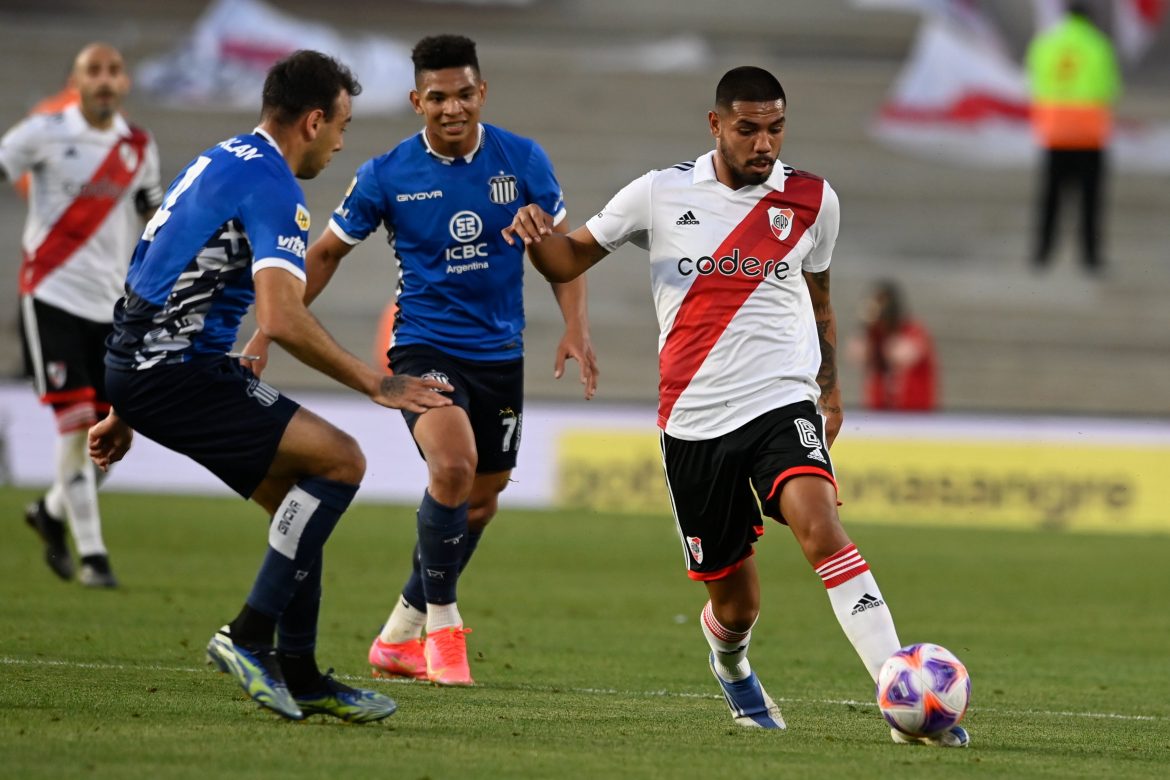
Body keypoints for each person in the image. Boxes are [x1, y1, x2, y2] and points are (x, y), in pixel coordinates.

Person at [503, 66, 969, 747]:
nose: (764, 144)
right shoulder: (659, 194)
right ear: (716, 125)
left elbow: (822, 302)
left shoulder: (812, 200)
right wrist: (533, 232)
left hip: (781, 398)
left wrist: (830, 391)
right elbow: (567, 260)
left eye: (776, 128)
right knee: (736, 603)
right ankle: (732, 663)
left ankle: (904, 701)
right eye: (748, 129)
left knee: (820, 527)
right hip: (693, 420)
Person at [88, 50, 452, 723]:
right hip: (172, 370)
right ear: (314, 120)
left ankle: (304, 673)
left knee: (296, 505)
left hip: (145, 364)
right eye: (341, 126)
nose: (341, 143)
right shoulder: (276, 187)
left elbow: (155, 266)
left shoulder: (224, 157)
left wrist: (125, 400)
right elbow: (281, 316)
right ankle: (248, 637)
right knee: (341, 461)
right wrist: (378, 383)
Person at [250, 34, 597, 687]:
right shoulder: (386, 174)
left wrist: (575, 327)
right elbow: (323, 253)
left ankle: (397, 637)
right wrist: (270, 330)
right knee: (453, 463)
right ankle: (442, 628)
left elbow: (563, 256)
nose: (452, 108)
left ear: (481, 93)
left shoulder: (523, 160)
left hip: (499, 353)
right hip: (421, 345)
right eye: (438, 97)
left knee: (480, 502)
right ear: (417, 101)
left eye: (464, 93)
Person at [1, 43, 162, 588]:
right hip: (51, 295)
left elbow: (154, 220)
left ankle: (50, 511)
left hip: (113, 306)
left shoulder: (137, 146)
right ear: (75, 80)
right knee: (75, 423)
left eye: (113, 71)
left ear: (125, 83)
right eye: (93, 71)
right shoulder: (43, 132)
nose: (104, 80)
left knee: (111, 435)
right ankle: (93, 556)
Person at [1026, 1, 1121, 276]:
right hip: (1089, 134)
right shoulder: (1099, 45)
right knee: (1090, 201)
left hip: (1055, 131)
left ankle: (1042, 253)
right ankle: (1090, 256)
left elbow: (1033, 82)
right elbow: (1111, 89)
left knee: (1051, 198)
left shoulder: (1046, 43)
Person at [850, 279, 938, 412]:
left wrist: (883, 333)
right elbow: (856, 354)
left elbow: (901, 355)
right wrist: (867, 329)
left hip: (915, 412)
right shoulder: (874, 333)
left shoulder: (913, 329)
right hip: (879, 409)